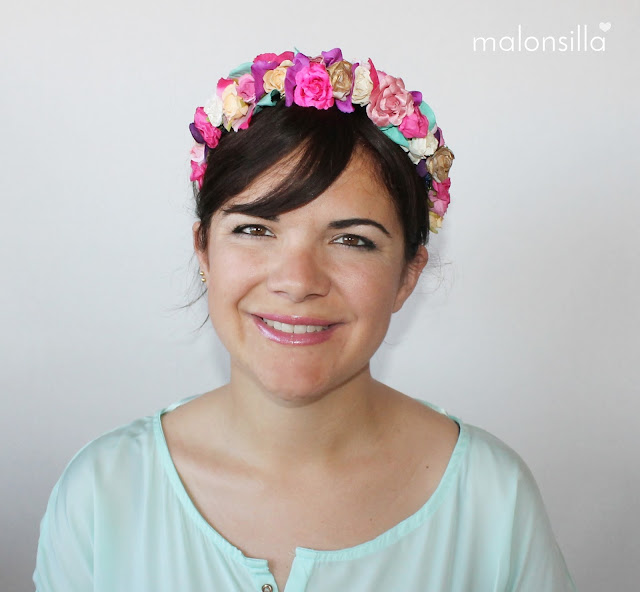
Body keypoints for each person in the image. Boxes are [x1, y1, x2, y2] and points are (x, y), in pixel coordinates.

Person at [33, 48, 576, 592]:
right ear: (203, 251)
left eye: (351, 240)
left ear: (408, 275)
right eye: (254, 229)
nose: (297, 281)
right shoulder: (102, 495)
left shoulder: (493, 503)